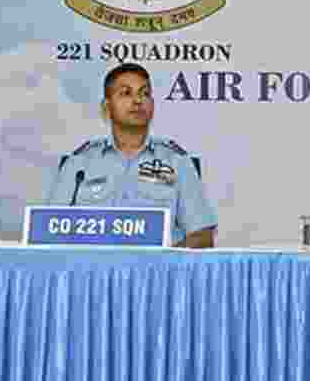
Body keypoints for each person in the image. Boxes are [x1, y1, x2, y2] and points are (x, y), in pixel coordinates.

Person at [45, 63, 216, 248]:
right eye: (126, 93)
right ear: (106, 107)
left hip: (157, 273)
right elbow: (49, 229)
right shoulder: (79, 163)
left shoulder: (177, 162)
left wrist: (163, 264)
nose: (137, 101)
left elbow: (202, 236)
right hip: (90, 271)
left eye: (145, 93)